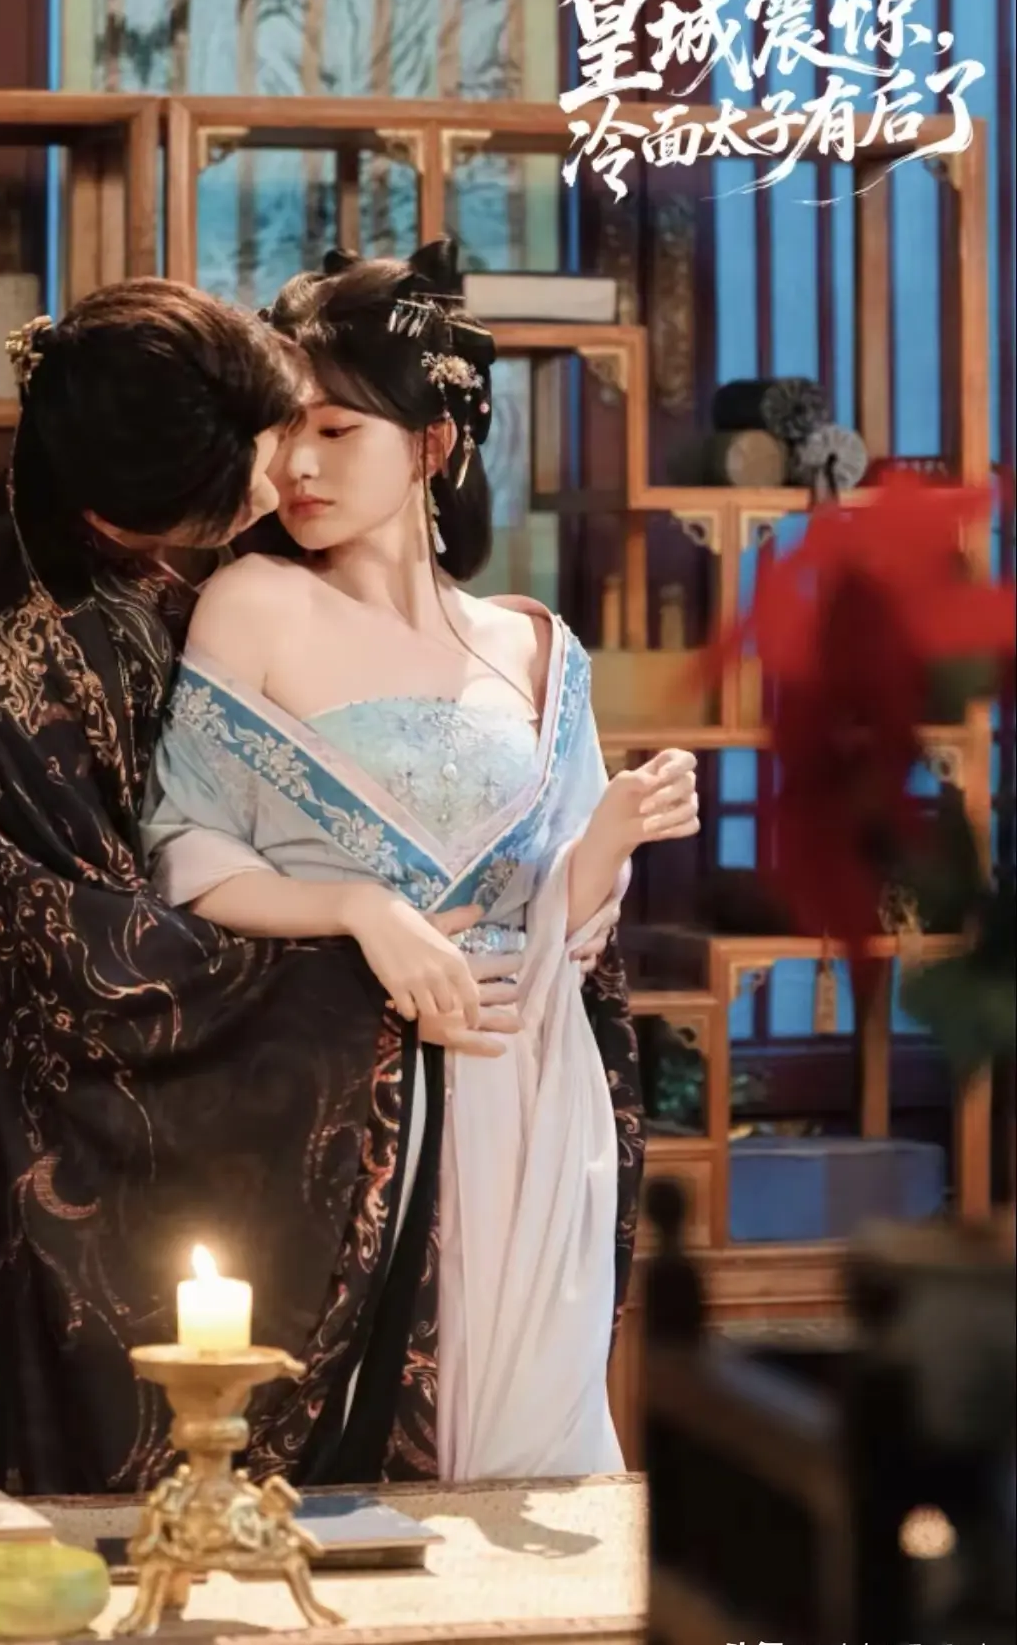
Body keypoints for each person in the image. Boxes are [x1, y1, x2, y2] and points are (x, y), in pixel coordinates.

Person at [0, 278, 516, 1495]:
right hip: (108, 1127)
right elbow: (91, 957)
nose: (283, 472)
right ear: (136, 491)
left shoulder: (189, 592)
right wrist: (368, 966)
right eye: (259, 446)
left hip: (292, 1057)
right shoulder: (17, 661)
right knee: (159, 1496)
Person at [141, 241, 700, 1481]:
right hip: (365, 1101)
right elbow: (185, 849)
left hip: (530, 1087)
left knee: (533, 1461)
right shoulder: (254, 601)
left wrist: (611, 830)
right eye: (284, 431)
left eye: (335, 430)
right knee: (394, 1466)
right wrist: (362, 909)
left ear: (432, 445)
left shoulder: (535, 645)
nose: (295, 464)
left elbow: (563, 928)